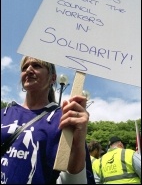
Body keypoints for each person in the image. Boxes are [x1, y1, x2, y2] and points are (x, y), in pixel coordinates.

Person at [1, 56, 95, 184]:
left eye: (36, 65)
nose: (29, 69)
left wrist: (77, 145)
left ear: (53, 78)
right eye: (24, 67)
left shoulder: (66, 119)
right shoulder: (4, 114)